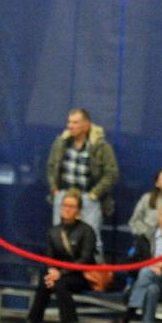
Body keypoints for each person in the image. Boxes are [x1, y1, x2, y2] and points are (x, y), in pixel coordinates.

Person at [46, 108, 119, 258]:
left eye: (75, 122)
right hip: (64, 195)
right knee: (58, 237)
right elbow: (51, 165)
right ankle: (57, 275)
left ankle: (95, 279)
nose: (70, 126)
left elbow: (112, 173)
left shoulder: (100, 146)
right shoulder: (61, 143)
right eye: (69, 122)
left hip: (88, 196)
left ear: (86, 125)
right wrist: (54, 189)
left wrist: (95, 194)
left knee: (94, 239)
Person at [26, 189, 96, 323]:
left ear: (78, 210)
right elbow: (49, 256)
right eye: (64, 205)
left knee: (58, 283)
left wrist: (61, 273)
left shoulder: (87, 231)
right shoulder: (54, 231)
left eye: (71, 206)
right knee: (46, 282)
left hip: (80, 276)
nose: (67, 209)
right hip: (59, 275)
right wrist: (52, 271)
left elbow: (85, 259)